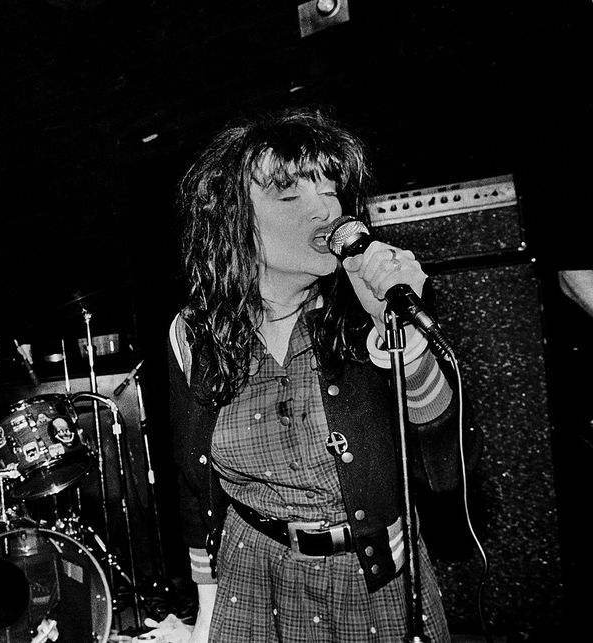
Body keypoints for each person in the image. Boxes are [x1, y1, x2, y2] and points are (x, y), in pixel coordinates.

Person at [163, 108, 460, 642]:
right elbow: (193, 484)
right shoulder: (195, 334)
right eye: (289, 195)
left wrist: (401, 336)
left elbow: (447, 466)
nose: (326, 209)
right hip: (250, 584)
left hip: (372, 585)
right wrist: (205, 612)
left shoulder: (369, 314)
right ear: (233, 219)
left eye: (330, 188)